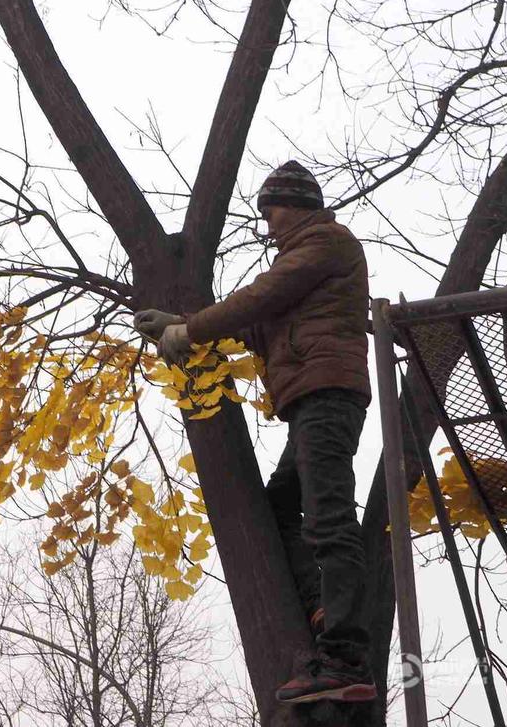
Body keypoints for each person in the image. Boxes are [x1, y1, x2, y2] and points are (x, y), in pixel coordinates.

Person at [133, 160, 376, 704]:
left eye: (271, 212)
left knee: (329, 516)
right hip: (310, 396)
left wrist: (188, 329)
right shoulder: (305, 264)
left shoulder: (328, 244)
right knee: (281, 505)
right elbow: (255, 324)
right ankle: (321, 604)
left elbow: (263, 295)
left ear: (297, 205)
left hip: (326, 393)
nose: (266, 225)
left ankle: (343, 657)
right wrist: (176, 322)